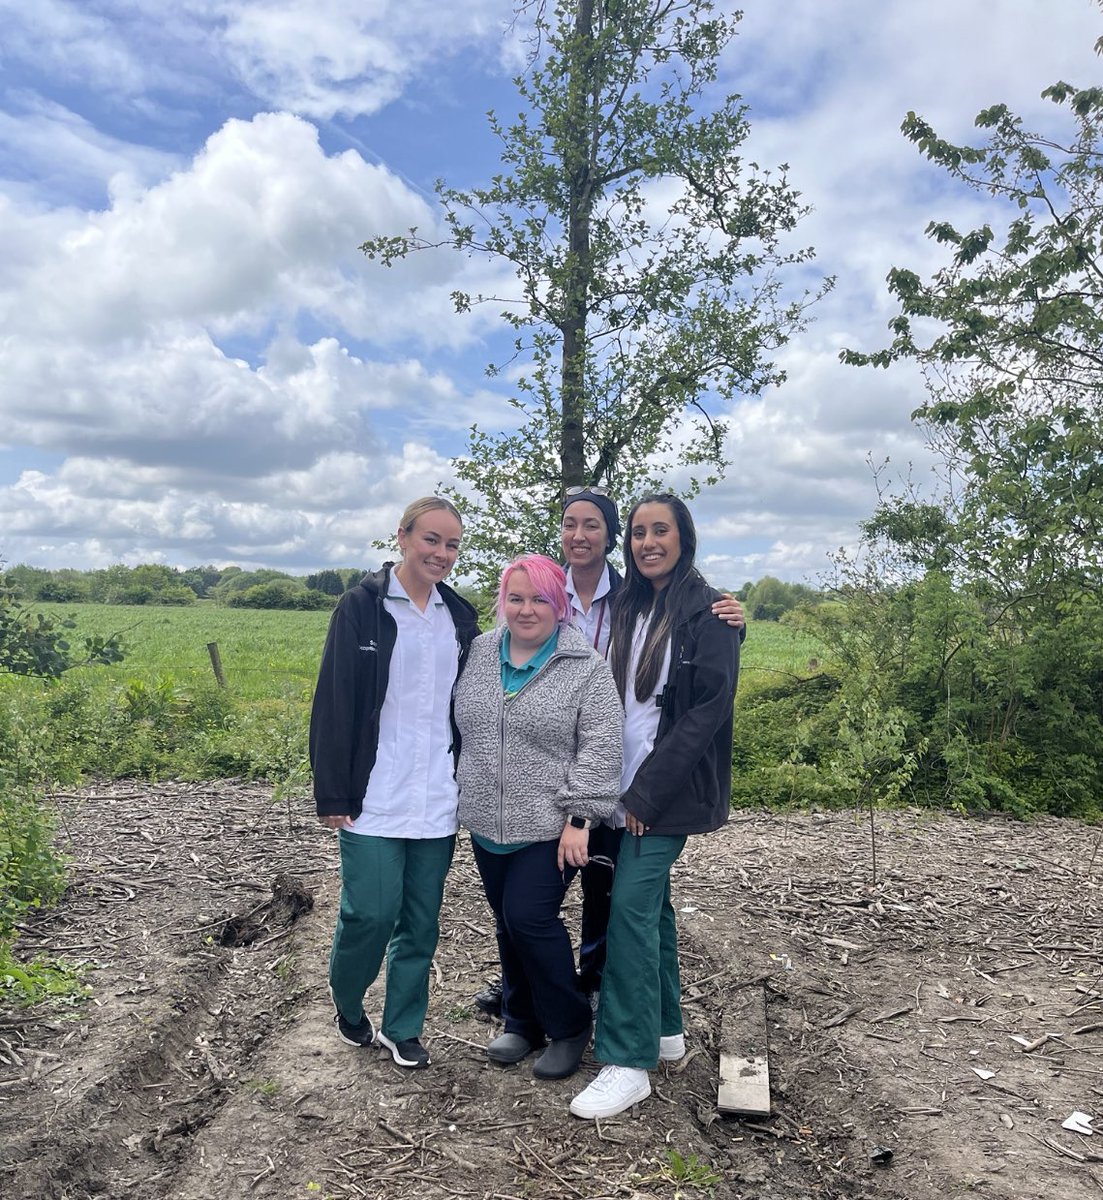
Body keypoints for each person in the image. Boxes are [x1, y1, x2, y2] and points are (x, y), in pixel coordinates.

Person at [473, 486, 745, 1015]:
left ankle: (593, 985)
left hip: (615, 765)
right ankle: (521, 993)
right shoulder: (544, 589)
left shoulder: (632, 596)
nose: (579, 535)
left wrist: (732, 622)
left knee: (607, 890)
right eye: (570, 523)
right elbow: (502, 644)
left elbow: (688, 650)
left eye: (592, 525)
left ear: (607, 536)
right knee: (529, 897)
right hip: (550, 769)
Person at [569, 494, 741, 1119]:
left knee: (630, 914)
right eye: (638, 533)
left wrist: (648, 792)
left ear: (683, 537)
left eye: (659, 531)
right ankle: (665, 1030)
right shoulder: (630, 605)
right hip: (618, 785)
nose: (647, 542)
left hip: (661, 793)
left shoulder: (710, 613)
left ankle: (628, 1060)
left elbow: (704, 716)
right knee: (655, 909)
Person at [309, 497, 480, 1070]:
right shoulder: (362, 607)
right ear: (402, 537)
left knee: (420, 921)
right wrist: (332, 792)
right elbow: (334, 700)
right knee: (370, 913)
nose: (441, 553)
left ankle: (403, 1026)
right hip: (374, 791)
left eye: (452, 544)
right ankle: (348, 1002)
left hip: (437, 791)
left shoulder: (459, 616)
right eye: (431, 539)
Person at [454, 554, 623, 1081]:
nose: (527, 610)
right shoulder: (480, 651)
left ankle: (570, 1025)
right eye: (516, 598)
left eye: (540, 600)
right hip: (487, 819)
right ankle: (520, 1018)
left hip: (550, 827)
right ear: (503, 602)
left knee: (529, 917)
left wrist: (581, 818)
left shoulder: (585, 667)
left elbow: (602, 745)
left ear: (559, 606)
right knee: (508, 923)